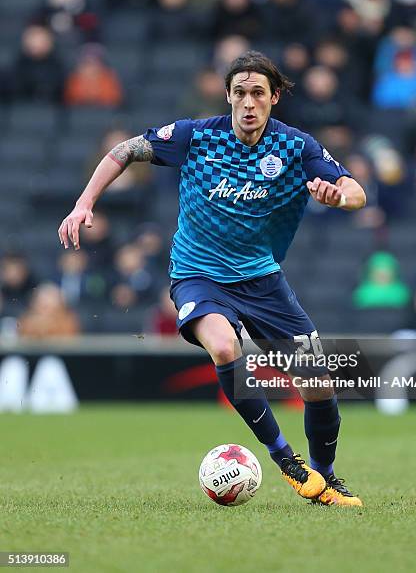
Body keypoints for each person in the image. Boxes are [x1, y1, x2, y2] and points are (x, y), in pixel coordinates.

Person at [59, 51, 366, 507]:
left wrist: (337, 197)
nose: (248, 102)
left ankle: (326, 478)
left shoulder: (296, 147)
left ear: (273, 98)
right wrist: (84, 203)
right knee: (225, 346)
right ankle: (286, 461)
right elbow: (122, 151)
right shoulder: (196, 136)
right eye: (239, 92)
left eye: (257, 93)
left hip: (263, 280)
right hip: (197, 275)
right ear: (227, 95)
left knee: (317, 382)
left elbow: (356, 191)